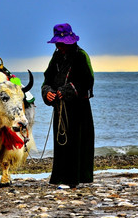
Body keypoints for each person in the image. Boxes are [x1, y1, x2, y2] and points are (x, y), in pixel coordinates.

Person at [41, 23, 95, 188]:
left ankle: (73, 180)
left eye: (62, 43)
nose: (60, 46)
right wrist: (48, 92)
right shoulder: (56, 57)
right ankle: (60, 178)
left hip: (79, 109)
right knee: (61, 143)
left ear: (70, 41)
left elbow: (87, 81)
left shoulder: (81, 56)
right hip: (60, 107)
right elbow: (47, 79)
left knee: (75, 143)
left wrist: (66, 90)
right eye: (58, 44)